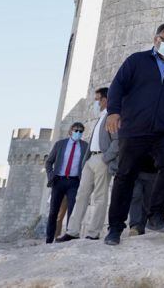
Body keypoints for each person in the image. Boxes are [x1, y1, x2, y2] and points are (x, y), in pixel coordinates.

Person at [103, 23, 164, 246]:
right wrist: (113, 112)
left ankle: (156, 215)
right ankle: (115, 228)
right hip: (135, 129)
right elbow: (117, 87)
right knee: (125, 176)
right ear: (156, 40)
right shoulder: (137, 61)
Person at [57, 87, 116, 241]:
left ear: (104, 100)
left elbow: (117, 141)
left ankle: (93, 233)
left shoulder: (113, 117)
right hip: (91, 160)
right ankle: (72, 231)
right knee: (81, 195)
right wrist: (86, 160)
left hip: (102, 159)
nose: (96, 103)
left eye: (97, 100)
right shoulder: (100, 118)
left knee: (100, 197)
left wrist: (106, 158)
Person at [44, 123, 88, 243]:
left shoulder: (85, 146)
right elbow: (49, 162)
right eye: (76, 130)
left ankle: (69, 237)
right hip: (59, 180)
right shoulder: (60, 144)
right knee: (54, 211)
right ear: (70, 131)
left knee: (72, 210)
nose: (78, 133)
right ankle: (49, 239)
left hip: (74, 182)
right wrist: (51, 175)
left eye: (80, 131)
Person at [126, 154, 158, 235]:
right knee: (136, 196)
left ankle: (141, 227)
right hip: (135, 171)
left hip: (152, 171)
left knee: (148, 200)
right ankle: (134, 225)